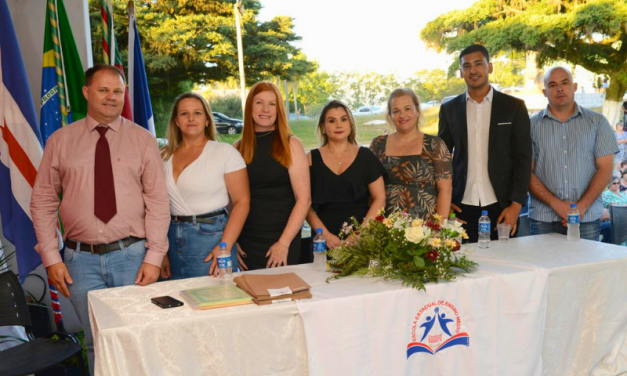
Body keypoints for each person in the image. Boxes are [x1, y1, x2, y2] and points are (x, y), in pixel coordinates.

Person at [30, 65, 170, 373]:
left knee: (140, 335)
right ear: (86, 92)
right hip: (80, 262)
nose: (111, 97)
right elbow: (43, 201)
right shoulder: (60, 141)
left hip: (132, 257)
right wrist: (52, 257)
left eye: (117, 91)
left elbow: (158, 201)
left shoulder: (143, 140)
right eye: (103, 90)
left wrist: (155, 255)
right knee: (96, 341)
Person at [438, 44, 532, 243]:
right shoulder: (449, 109)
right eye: (467, 66)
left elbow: (523, 158)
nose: (473, 70)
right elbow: (441, 160)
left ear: (489, 67)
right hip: (462, 205)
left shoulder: (514, 107)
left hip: (502, 206)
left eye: (478, 64)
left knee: (506, 267)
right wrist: (445, 201)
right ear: (461, 72)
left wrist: (516, 205)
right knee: (463, 267)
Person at [160, 93, 250, 279]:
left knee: (213, 300)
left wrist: (224, 246)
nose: (191, 118)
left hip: (211, 237)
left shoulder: (224, 152)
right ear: (176, 121)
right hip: (170, 238)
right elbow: (156, 205)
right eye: (184, 113)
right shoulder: (163, 155)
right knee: (177, 302)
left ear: (207, 120)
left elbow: (242, 202)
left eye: (198, 113)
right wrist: (160, 252)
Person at [529, 67, 619, 240]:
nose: (560, 88)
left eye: (565, 83)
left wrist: (581, 208)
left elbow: (606, 170)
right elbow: (525, 173)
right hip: (543, 218)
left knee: (585, 268)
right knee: (545, 267)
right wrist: (558, 205)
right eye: (553, 85)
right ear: (544, 92)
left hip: (587, 218)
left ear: (575, 86)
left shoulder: (597, 123)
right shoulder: (530, 126)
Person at [235, 82, 310, 270]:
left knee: (283, 296)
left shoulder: (291, 144)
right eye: (259, 102)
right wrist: (231, 240)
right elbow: (231, 201)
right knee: (249, 296)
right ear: (250, 107)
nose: (265, 109)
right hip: (246, 241)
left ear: (279, 109)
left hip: (283, 238)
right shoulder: (237, 148)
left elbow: (304, 200)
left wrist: (284, 243)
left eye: (272, 104)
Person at [307, 100, 386, 248]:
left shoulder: (366, 156)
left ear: (350, 124)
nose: (339, 125)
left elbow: (380, 198)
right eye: (332, 121)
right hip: (322, 240)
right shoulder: (310, 159)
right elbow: (304, 203)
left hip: (361, 237)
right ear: (323, 126)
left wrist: (358, 235)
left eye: (344, 119)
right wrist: (324, 235)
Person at [370, 88, 452, 220]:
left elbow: (445, 190)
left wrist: (439, 229)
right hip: (385, 227)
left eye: (407, 109)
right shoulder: (378, 145)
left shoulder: (434, 144)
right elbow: (370, 191)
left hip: (425, 229)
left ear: (417, 111)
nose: (402, 115)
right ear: (390, 115)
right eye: (396, 111)